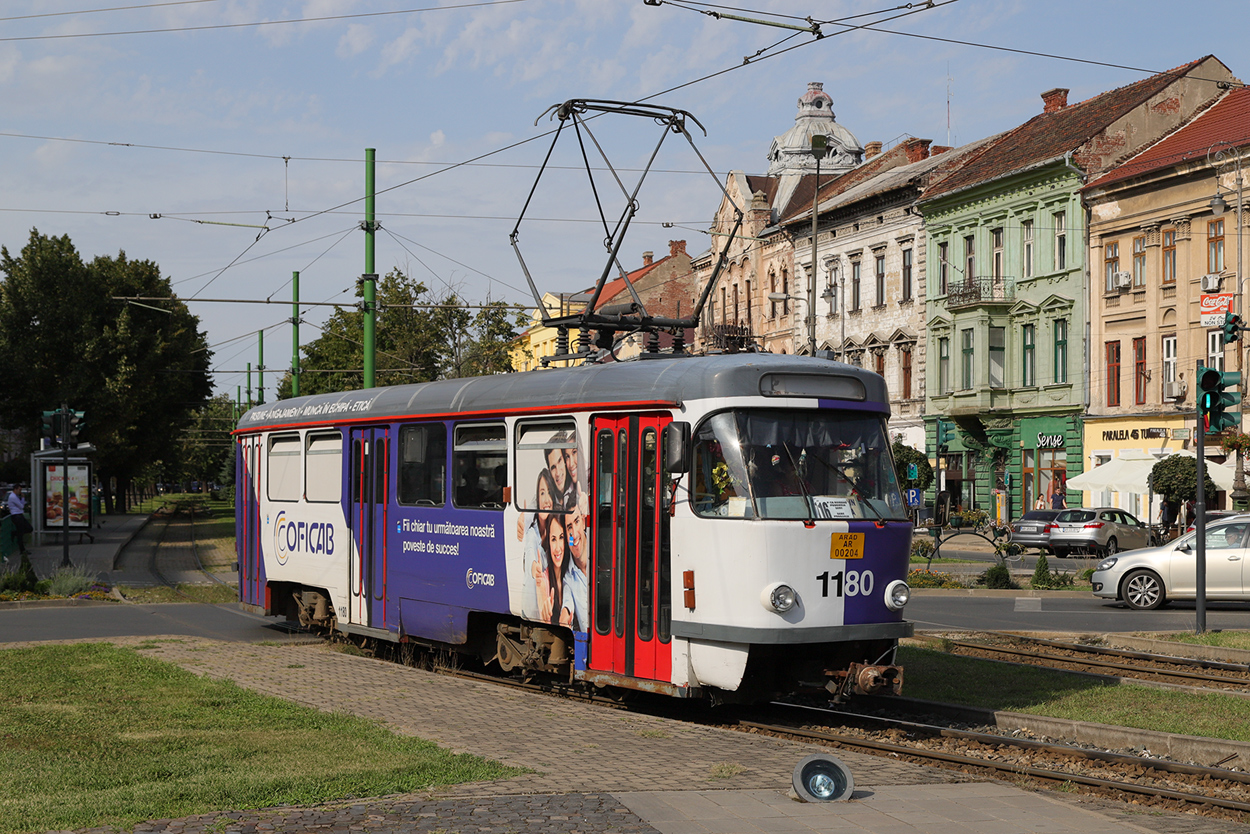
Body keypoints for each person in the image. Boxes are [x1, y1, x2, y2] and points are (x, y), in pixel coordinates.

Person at [564, 496, 591, 630]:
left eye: (576, 522)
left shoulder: (604, 549)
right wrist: (565, 612)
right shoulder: (567, 576)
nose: (574, 534)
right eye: (569, 527)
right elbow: (566, 599)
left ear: (584, 521)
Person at [6, 484, 31, 556]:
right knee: (20, 532)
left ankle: (15, 533)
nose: (20, 492)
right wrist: (23, 498)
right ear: (15, 489)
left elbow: (21, 506)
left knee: (29, 528)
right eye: (19, 490)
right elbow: (21, 506)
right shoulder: (13, 497)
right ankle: (22, 550)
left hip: (19, 515)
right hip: (16, 516)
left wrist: (22, 500)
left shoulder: (15, 496)